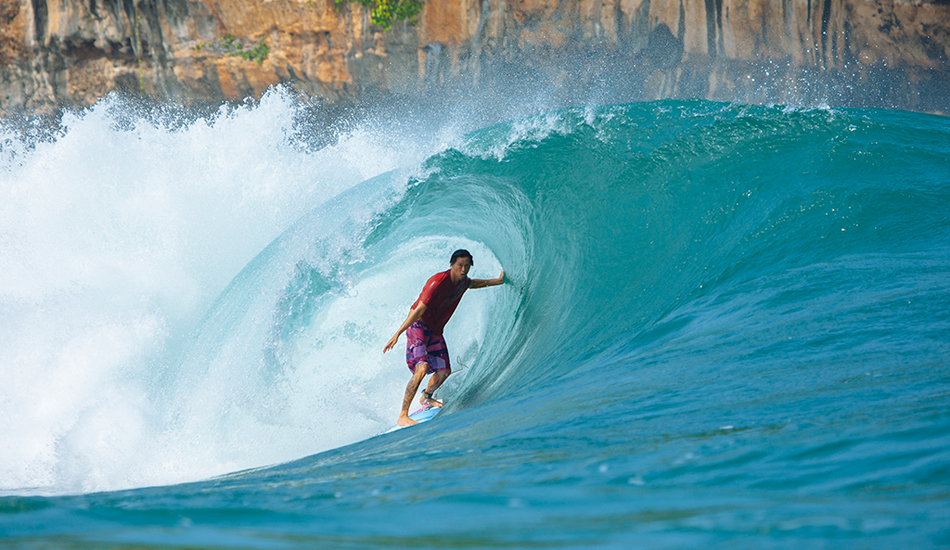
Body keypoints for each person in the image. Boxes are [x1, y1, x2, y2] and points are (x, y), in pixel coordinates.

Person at [383, 249, 505, 426]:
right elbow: (419, 309)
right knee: (422, 369)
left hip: (435, 330)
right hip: (418, 325)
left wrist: (498, 281)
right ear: (451, 264)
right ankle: (403, 415)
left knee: (444, 371)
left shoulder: (463, 282)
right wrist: (397, 334)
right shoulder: (437, 282)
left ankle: (426, 396)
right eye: (460, 265)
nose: (463, 269)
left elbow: (474, 284)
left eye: (467, 266)